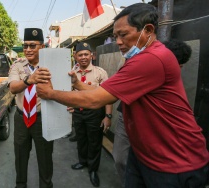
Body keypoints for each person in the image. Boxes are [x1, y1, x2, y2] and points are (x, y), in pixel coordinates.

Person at [36, 3, 209, 187]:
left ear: (148, 30)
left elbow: (95, 100)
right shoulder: (138, 59)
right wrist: (77, 84)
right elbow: (103, 92)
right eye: (115, 36)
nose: (118, 42)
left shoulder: (150, 59)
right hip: (147, 153)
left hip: (174, 160)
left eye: (123, 34)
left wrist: (50, 93)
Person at [112, 39, 193, 187]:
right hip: (127, 118)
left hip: (152, 124)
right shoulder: (139, 61)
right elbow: (107, 92)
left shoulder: (172, 79)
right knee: (120, 158)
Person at [8, 28, 54, 188]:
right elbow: (13, 88)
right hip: (21, 118)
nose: (27, 50)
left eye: (32, 46)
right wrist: (29, 80)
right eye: (25, 45)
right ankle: (21, 184)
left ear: (42, 47)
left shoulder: (51, 65)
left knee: (45, 156)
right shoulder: (17, 65)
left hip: (43, 118)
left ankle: (46, 185)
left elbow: (60, 90)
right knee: (20, 155)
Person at [69, 42, 112, 187]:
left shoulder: (100, 72)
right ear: (75, 56)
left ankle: (93, 170)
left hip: (95, 112)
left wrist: (108, 116)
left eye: (86, 54)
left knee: (94, 141)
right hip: (78, 112)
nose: (83, 57)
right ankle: (83, 161)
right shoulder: (71, 72)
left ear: (91, 55)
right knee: (81, 138)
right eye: (80, 55)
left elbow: (108, 96)